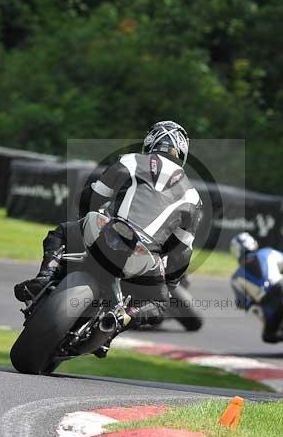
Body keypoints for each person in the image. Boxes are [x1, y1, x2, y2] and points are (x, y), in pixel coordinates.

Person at [14, 121, 202, 328]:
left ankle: (45, 276)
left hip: (108, 234)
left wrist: (83, 220)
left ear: (149, 144)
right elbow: (182, 251)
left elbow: (92, 197)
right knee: (160, 304)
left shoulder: (130, 161)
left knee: (62, 233)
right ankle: (124, 317)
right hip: (145, 257)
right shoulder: (193, 197)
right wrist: (169, 282)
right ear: (182, 153)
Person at [229, 232, 283, 343]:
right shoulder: (267, 252)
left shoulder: (236, 277)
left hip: (270, 305)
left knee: (268, 336)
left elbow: (243, 302)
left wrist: (246, 304)